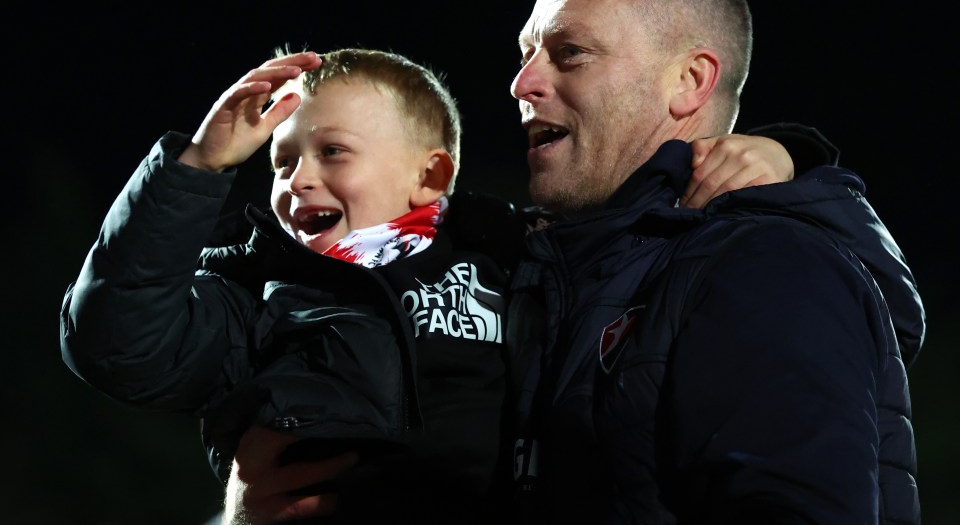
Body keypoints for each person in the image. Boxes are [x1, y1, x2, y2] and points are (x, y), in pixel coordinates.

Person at [220, 0, 925, 524]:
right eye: (526, 53)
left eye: (569, 53)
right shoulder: (532, 269)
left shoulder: (767, 267)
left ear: (689, 83)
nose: (522, 83)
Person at [60, 44, 798, 524]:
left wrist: (782, 155)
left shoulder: (518, 256)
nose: (297, 179)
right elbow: (114, 341)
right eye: (280, 160)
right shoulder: (256, 288)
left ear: (432, 175)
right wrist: (198, 168)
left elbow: (651, 237)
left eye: (333, 151)